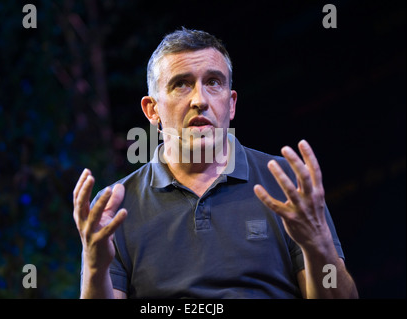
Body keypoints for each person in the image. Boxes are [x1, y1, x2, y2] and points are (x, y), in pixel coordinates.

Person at [73, 28, 359, 299]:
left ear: (231, 103)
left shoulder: (285, 182)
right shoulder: (115, 207)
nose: (200, 100)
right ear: (152, 110)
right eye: (181, 84)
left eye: (213, 82)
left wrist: (317, 243)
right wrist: (96, 267)